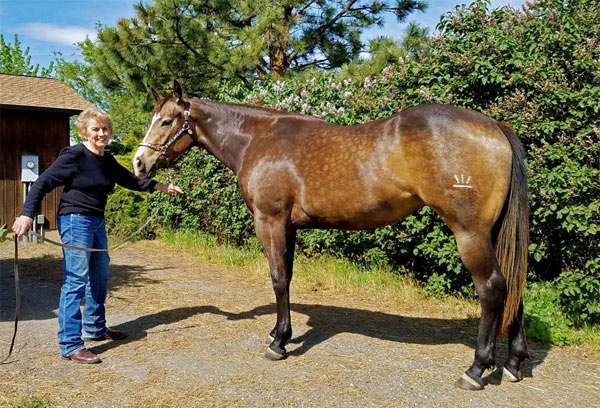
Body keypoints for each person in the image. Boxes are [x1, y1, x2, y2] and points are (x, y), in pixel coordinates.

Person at [12, 107, 182, 364]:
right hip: (74, 221)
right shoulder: (74, 155)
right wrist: (26, 214)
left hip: (96, 221)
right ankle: (70, 344)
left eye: (105, 129)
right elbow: (42, 183)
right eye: (95, 129)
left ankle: (95, 328)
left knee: (100, 276)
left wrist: (160, 186)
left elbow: (130, 180)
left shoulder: (107, 159)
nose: (101, 133)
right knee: (75, 281)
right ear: (84, 132)